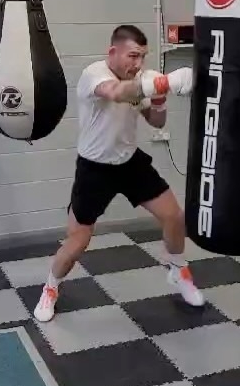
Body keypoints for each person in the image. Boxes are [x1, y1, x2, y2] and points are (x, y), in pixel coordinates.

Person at [34, 24, 204, 322]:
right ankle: (50, 288)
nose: (137, 64)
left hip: (129, 163)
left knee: (175, 216)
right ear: (113, 52)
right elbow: (115, 93)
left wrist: (161, 98)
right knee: (77, 242)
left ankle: (179, 271)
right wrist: (161, 83)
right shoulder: (94, 74)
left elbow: (155, 120)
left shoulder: (142, 78)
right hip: (94, 169)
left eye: (143, 58)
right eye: (133, 56)